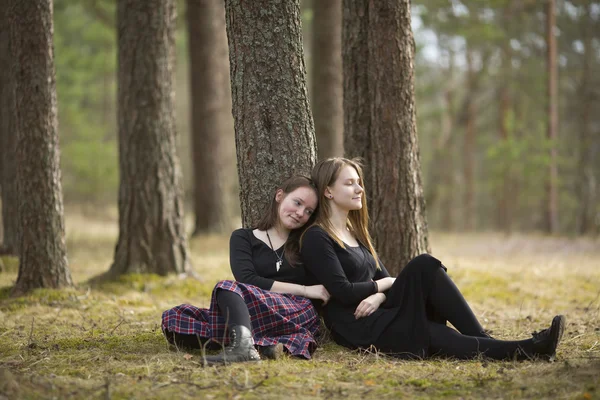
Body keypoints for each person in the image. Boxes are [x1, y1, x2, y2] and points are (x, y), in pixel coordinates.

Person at [300, 157, 566, 361]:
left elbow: (384, 278)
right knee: (436, 335)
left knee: (425, 265)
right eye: (349, 183)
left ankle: (487, 339)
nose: (359, 189)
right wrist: (383, 287)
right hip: (357, 325)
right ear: (328, 192)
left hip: (378, 310)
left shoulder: (355, 232)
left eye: (359, 182)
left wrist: (378, 295)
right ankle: (530, 349)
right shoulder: (317, 237)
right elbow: (343, 292)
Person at [162, 175, 330, 364]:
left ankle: (242, 348)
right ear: (280, 196)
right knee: (175, 317)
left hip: (294, 310)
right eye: (297, 203)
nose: (301, 213)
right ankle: (261, 346)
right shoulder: (243, 237)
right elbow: (247, 279)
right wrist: (305, 289)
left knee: (226, 287)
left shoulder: (306, 242)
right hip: (251, 310)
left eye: (308, 211)